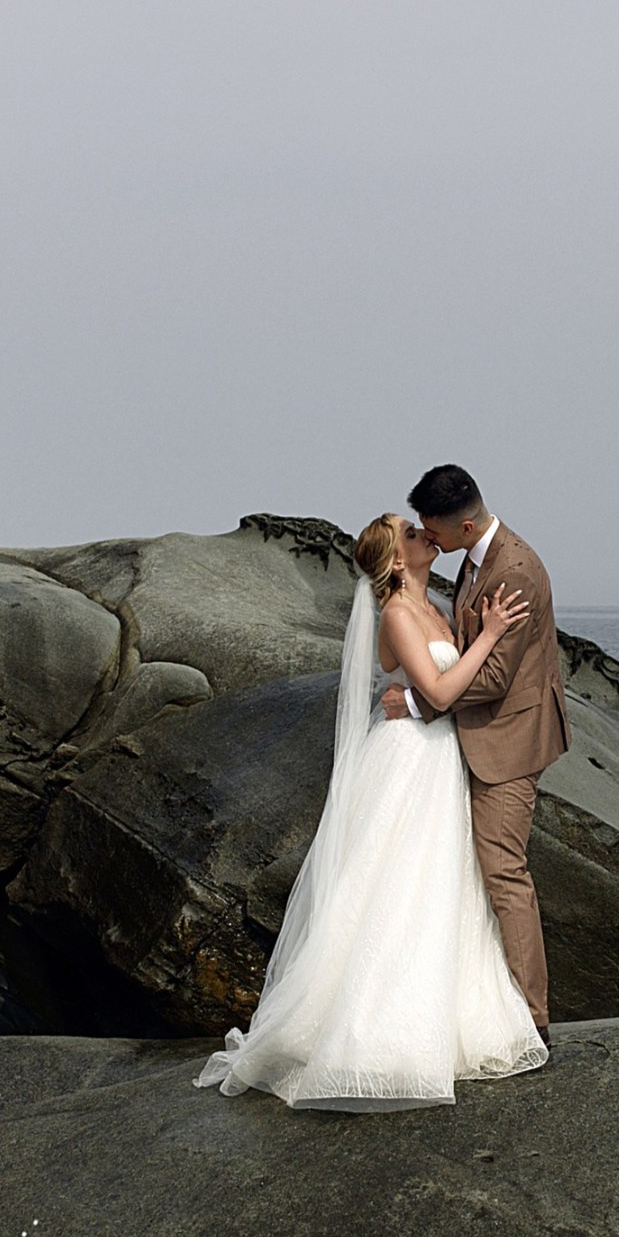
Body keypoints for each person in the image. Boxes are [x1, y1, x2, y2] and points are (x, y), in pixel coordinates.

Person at [194, 512, 547, 1108]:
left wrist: (429, 684)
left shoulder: (435, 604)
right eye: (410, 533)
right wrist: (488, 636)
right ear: (396, 561)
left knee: (440, 883)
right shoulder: (399, 613)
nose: (423, 534)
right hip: (411, 758)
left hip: (440, 755)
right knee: (398, 882)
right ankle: (379, 1028)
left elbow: (427, 688)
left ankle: (448, 1015)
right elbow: (441, 691)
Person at [385, 465, 568, 1042]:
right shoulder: (471, 557)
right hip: (474, 737)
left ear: (464, 526)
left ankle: (533, 1019)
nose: (427, 537)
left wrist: (417, 702)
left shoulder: (514, 571)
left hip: (508, 742)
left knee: (504, 873)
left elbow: (492, 677)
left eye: (432, 530)